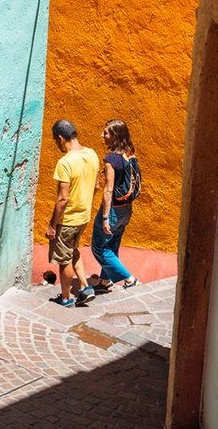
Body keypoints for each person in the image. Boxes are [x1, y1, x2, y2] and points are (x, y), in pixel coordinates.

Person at [46, 120, 99, 307]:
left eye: (56, 141)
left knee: (63, 259)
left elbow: (62, 199)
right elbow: (96, 185)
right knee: (73, 250)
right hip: (83, 217)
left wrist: (53, 224)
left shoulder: (65, 162)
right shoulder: (92, 154)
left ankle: (66, 297)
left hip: (67, 220)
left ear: (61, 138)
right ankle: (84, 287)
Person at [91, 119, 140, 293]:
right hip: (126, 210)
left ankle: (129, 279)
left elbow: (108, 190)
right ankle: (105, 281)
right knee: (112, 245)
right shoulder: (130, 153)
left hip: (112, 211)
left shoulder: (111, 159)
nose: (102, 136)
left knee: (98, 247)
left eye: (106, 133)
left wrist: (105, 218)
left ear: (115, 136)